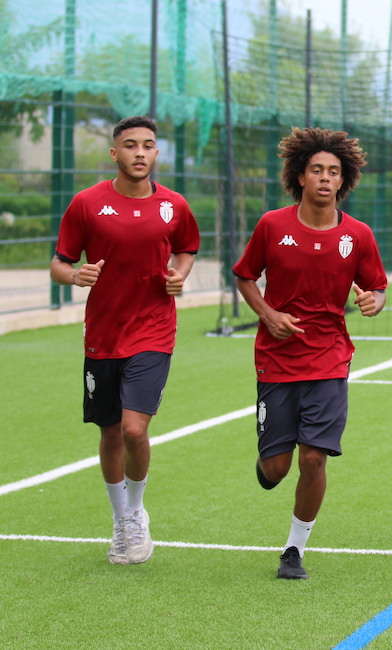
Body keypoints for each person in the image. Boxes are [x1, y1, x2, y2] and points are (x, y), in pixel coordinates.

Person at [233, 127, 387, 580]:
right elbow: (245, 276)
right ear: (300, 176)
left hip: (330, 357)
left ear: (343, 180)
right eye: (316, 170)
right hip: (277, 358)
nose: (325, 178)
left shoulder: (358, 234)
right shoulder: (272, 226)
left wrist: (374, 300)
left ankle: (294, 550)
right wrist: (267, 315)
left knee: (314, 457)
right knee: (276, 469)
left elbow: (378, 287)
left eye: (333, 172)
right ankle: (268, 465)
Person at [50, 115, 200, 565]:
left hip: (154, 328)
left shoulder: (174, 205)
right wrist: (75, 276)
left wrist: (179, 275)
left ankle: (135, 512)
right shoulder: (87, 204)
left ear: (157, 153)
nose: (140, 153)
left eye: (148, 145)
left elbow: (187, 248)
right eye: (130, 145)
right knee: (111, 432)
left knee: (135, 428)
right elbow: (58, 263)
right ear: (114, 153)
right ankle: (120, 521)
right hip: (103, 333)